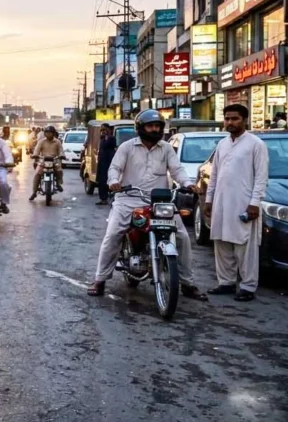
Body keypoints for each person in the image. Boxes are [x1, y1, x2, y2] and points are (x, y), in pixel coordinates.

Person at [87, 110, 208, 300]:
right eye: (150, 126)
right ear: (140, 128)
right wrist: (113, 181)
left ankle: (187, 283)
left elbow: (177, 170)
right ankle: (100, 280)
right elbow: (115, 168)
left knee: (183, 237)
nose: (154, 129)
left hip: (159, 201)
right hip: (128, 199)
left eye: (157, 126)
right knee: (113, 235)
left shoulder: (167, 148)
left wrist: (187, 184)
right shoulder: (127, 147)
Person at [205, 104, 269, 302]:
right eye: (227, 119)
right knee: (221, 242)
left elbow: (261, 177)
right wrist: (209, 200)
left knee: (245, 247)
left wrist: (254, 203)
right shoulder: (222, 144)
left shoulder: (256, 144)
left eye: (235, 119)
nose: (230, 122)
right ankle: (226, 282)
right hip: (221, 203)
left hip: (244, 203)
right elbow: (214, 174)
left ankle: (248, 286)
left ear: (245, 120)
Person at [29, 125, 64, 200]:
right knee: (37, 174)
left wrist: (62, 155)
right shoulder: (41, 141)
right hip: (43, 161)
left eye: (50, 133)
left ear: (53, 133)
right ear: (45, 133)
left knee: (59, 170)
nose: (49, 134)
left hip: (54, 161)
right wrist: (35, 155)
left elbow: (61, 150)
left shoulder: (57, 142)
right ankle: (34, 192)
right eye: (47, 132)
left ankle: (58, 184)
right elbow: (37, 150)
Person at [96, 123, 117, 205]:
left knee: (108, 181)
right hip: (101, 163)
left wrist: (106, 137)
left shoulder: (111, 138)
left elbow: (111, 145)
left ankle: (111, 198)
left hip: (108, 163)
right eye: (102, 130)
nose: (103, 132)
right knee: (101, 182)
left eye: (104, 130)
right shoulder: (102, 139)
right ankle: (103, 199)